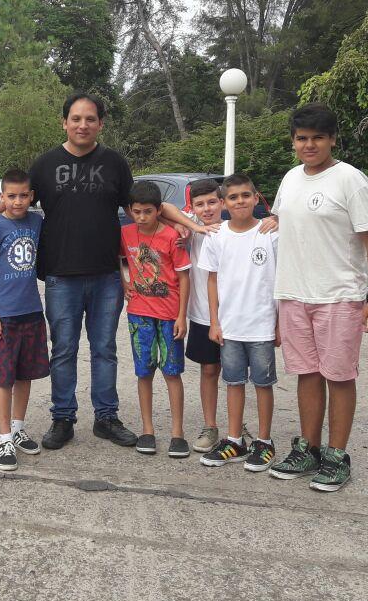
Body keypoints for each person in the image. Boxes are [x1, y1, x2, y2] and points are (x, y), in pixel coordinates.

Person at [0, 92, 210, 451]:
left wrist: (188, 225)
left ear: (100, 124)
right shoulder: (46, 163)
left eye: (90, 119)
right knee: (65, 350)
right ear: (64, 122)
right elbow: (16, 197)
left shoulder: (114, 163)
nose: (82, 125)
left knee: (104, 349)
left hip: (106, 276)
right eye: (75, 118)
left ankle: (106, 416)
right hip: (60, 275)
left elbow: (147, 204)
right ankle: (63, 417)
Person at [267, 104, 368, 492]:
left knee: (339, 376)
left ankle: (337, 455)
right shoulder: (289, 179)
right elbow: (280, 224)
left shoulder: (350, 180)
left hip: (339, 297)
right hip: (294, 294)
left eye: (318, 137)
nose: (310, 144)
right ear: (293, 141)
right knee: (307, 374)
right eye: (302, 138)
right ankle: (309, 448)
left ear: (333, 138)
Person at [199, 174, 280, 473]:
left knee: (263, 384)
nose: (240, 201)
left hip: (261, 325)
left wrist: (279, 323)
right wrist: (214, 321)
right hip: (229, 327)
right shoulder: (217, 236)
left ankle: (264, 441)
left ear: (256, 198)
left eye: (246, 195)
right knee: (233, 383)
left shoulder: (270, 233)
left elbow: (281, 281)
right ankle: (234, 440)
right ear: (223, 203)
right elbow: (211, 280)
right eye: (233, 197)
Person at [0, 169, 49, 471]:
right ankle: (4, 437)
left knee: (25, 374)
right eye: (11, 196)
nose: (17, 201)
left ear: (31, 197)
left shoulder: (37, 221)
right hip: (4, 315)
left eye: (23, 196)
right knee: (4, 377)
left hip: (32, 310)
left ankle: (18, 428)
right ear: (2, 197)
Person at [120, 181, 192, 458]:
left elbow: (184, 277)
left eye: (148, 212)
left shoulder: (173, 236)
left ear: (159, 210)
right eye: (136, 212)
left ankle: (177, 433)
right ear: (130, 211)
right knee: (144, 372)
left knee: (172, 373)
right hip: (139, 315)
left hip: (169, 314)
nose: (141, 217)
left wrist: (181, 316)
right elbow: (118, 258)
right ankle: (147, 430)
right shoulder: (125, 233)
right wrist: (123, 280)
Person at [185, 179, 225, 454]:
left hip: (237, 314)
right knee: (209, 370)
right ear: (191, 207)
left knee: (237, 374)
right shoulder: (190, 229)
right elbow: (162, 207)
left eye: (212, 202)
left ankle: (239, 426)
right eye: (200, 204)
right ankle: (210, 425)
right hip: (201, 313)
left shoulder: (236, 228)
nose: (207, 208)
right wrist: (193, 225)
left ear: (222, 202)